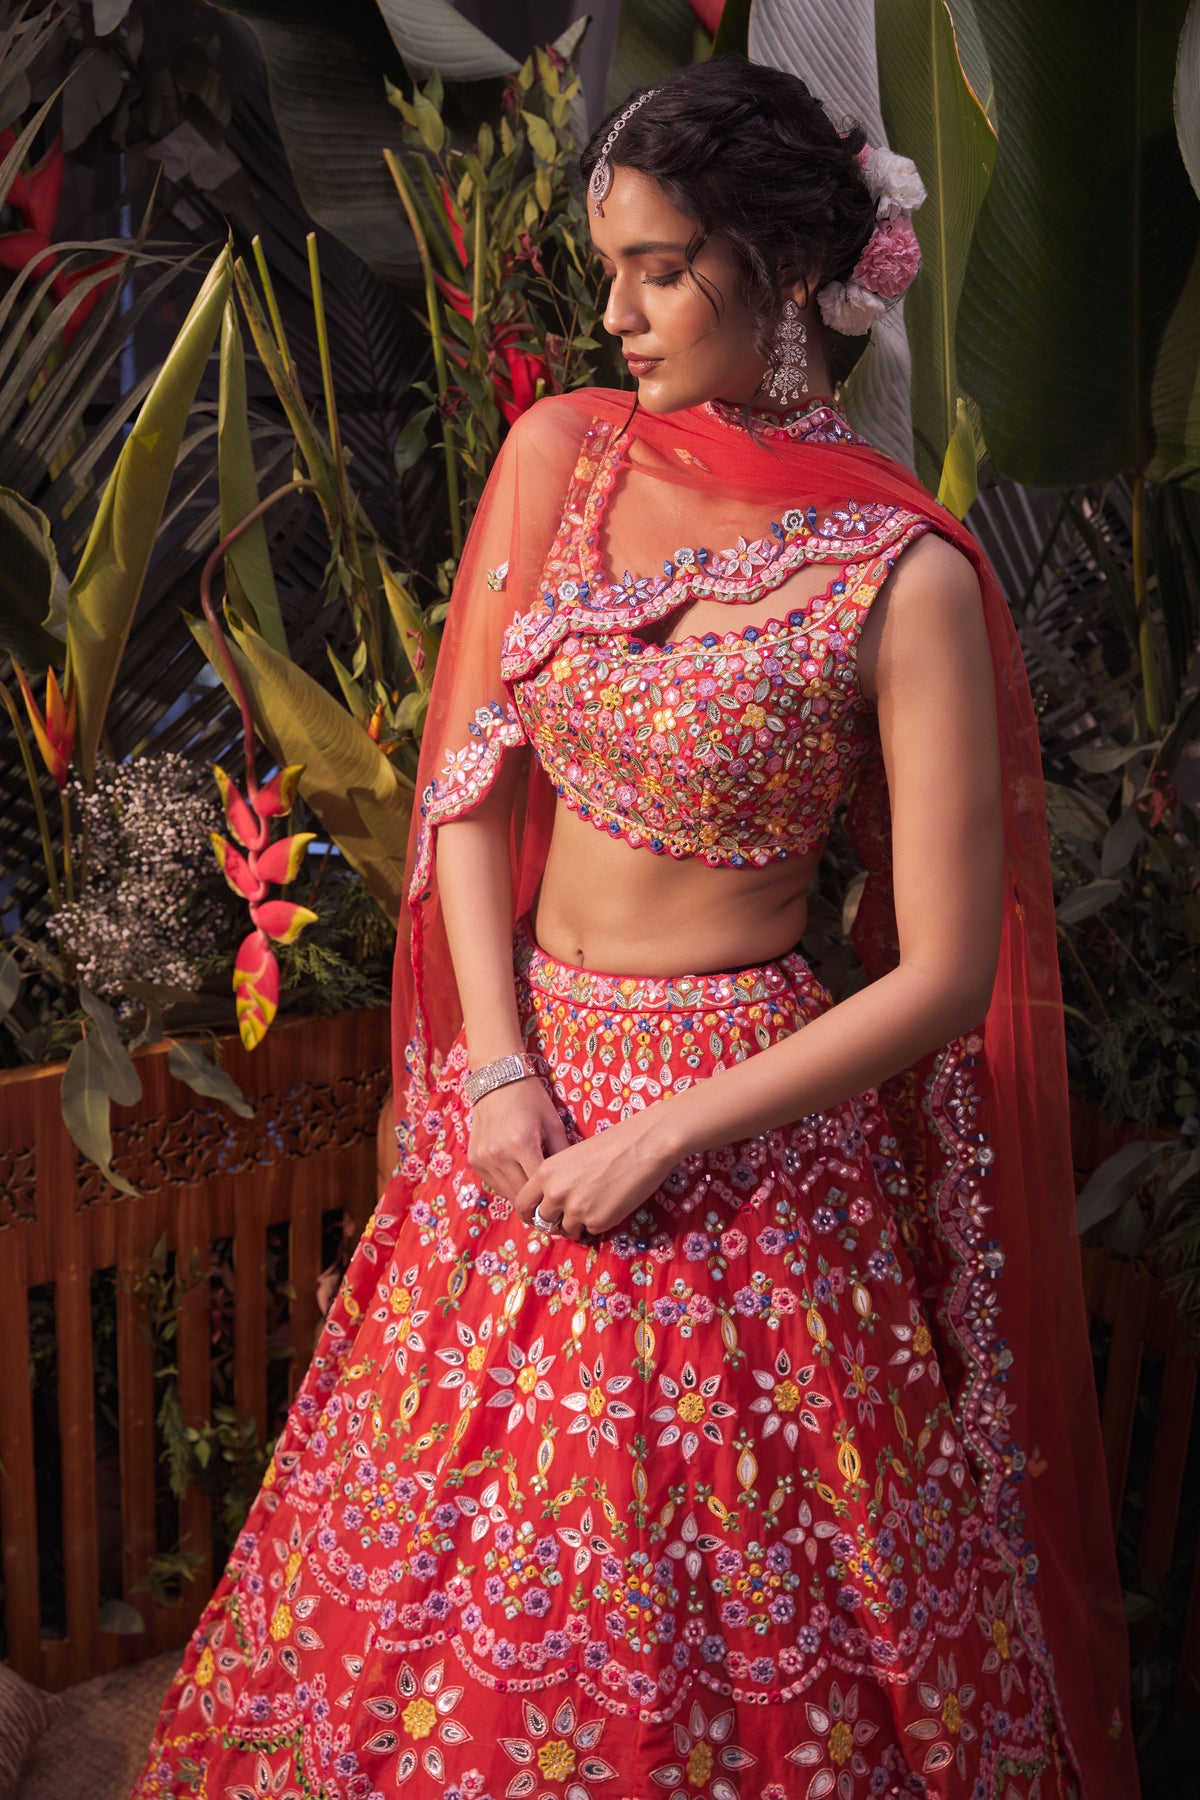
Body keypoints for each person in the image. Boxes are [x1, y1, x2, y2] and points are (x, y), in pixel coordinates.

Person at [132, 56, 1135, 1800]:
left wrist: (669, 1128)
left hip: (741, 1128)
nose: (616, 312)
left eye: (661, 268)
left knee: (720, 1607)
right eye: (612, 267)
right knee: (432, 1593)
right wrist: (502, 1073)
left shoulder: (902, 571)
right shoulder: (562, 458)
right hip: (519, 1110)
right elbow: (472, 785)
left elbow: (947, 973)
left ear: (779, 264)